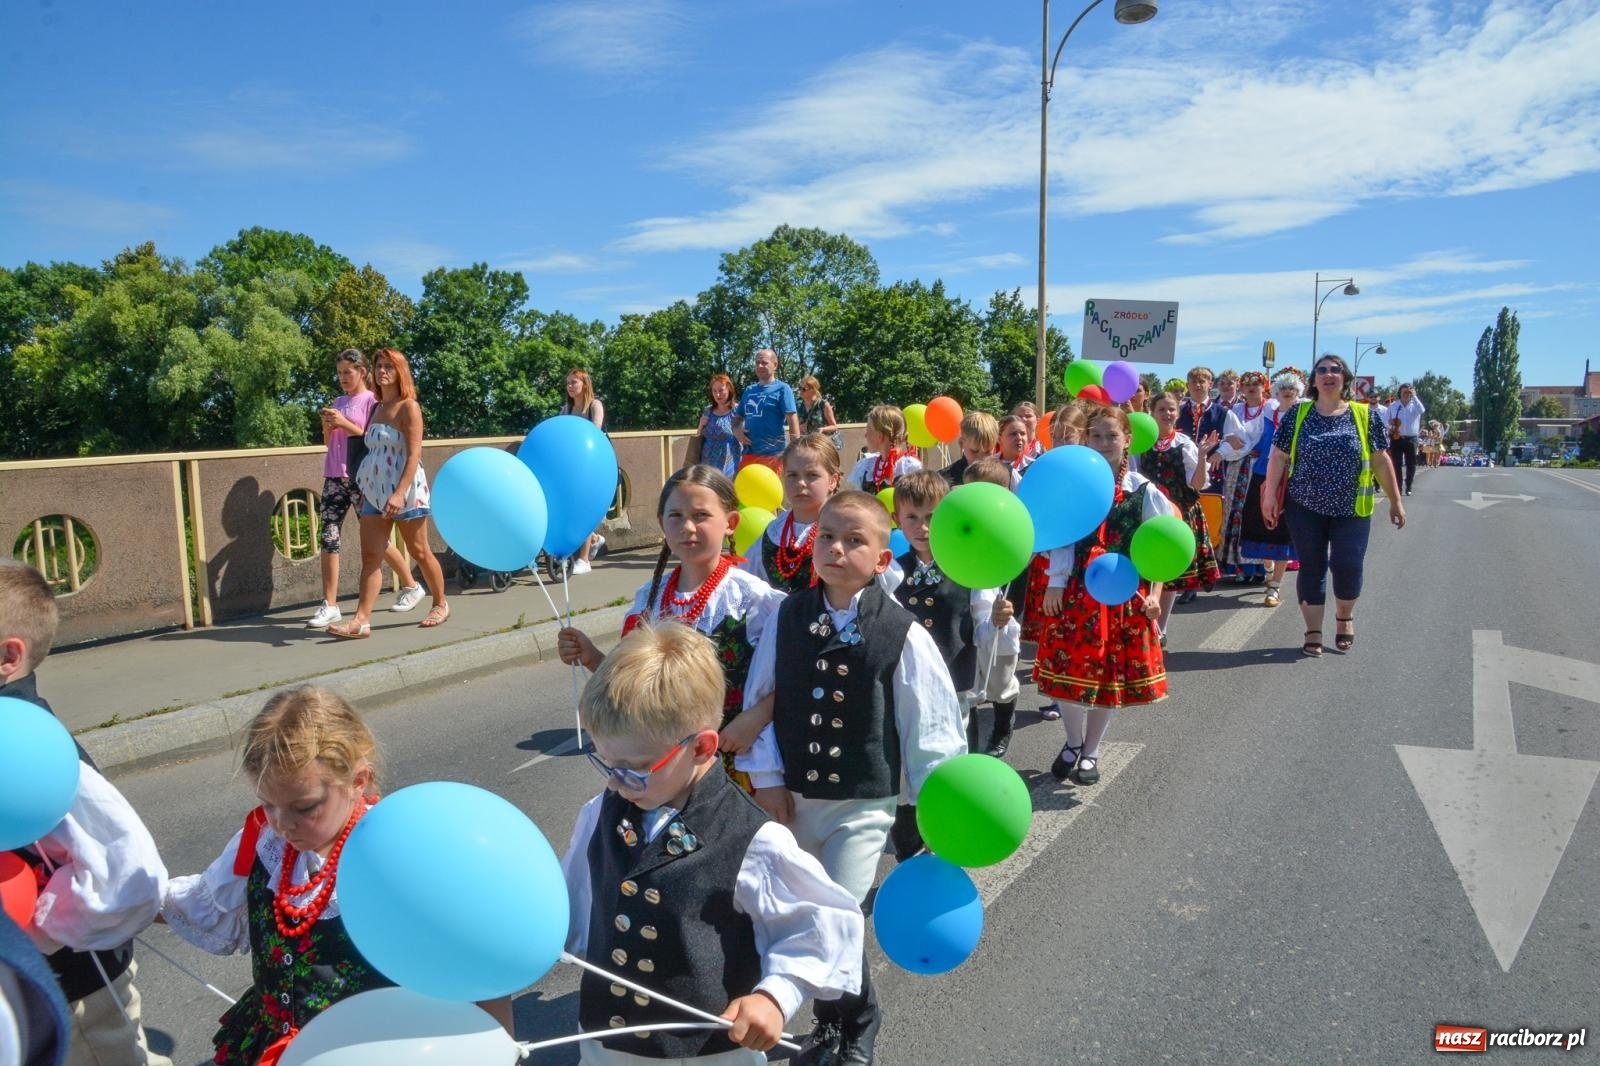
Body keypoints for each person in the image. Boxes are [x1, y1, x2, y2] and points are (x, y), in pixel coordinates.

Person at [559, 623, 864, 1065]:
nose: (616, 780)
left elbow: (822, 921)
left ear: (702, 747)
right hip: (610, 1040)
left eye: (637, 766)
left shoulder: (751, 837)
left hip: (710, 1051)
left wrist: (775, 997)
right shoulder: (600, 812)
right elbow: (573, 897)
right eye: (607, 763)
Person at [736, 492, 965, 1066]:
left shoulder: (900, 631)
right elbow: (762, 697)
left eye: (854, 540)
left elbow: (930, 725)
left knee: (837, 908)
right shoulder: (788, 616)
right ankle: (829, 1020)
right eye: (827, 537)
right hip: (794, 798)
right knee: (799, 909)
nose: (836, 548)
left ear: (883, 559)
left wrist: (933, 805)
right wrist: (765, 776)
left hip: (864, 801)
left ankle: (856, 1019)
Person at [162, 688, 392, 1065]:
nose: (283, 824)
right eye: (268, 804)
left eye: (304, 807)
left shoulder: (388, 855)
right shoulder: (261, 845)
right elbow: (201, 903)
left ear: (357, 781)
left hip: (364, 1050)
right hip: (272, 1045)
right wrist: (118, 903)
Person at [0, 560, 171, 1066]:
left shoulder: (38, 754)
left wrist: (45, 926)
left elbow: (130, 872)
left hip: (77, 988)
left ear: (8, 655)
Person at [559, 466, 786, 782]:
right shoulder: (648, 598)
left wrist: (753, 719)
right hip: (661, 772)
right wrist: (592, 657)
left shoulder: (754, 600)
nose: (688, 526)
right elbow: (634, 686)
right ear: (661, 523)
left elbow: (789, 679)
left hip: (735, 765)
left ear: (731, 523)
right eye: (675, 516)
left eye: (701, 515)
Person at [1032, 405, 1175, 786]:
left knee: (1107, 680)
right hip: (1077, 591)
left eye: (1112, 435)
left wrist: (1155, 592)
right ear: (1085, 439)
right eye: (1096, 435)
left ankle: (1090, 752)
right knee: (1066, 675)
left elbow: (1161, 546)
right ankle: (1073, 741)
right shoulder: (1075, 484)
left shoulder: (1144, 491)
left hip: (1120, 595)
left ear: (1127, 438)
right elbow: (1061, 534)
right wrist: (1056, 582)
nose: (1104, 443)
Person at [1261, 354, 1406, 657]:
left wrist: (1395, 501)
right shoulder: (1298, 414)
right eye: (1322, 370)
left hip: (1352, 509)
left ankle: (1344, 618)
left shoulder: (1364, 415)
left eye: (1335, 370)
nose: (1329, 375)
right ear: (1313, 380)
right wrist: (1270, 496)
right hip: (1304, 506)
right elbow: (1278, 456)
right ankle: (1313, 630)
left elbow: (1380, 460)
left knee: (1348, 566)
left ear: (1345, 379)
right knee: (1312, 567)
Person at [326, 349, 447, 638]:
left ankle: (440, 603)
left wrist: (399, 492)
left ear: (400, 372)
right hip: (374, 490)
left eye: (389, 367)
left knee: (418, 550)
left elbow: (414, 453)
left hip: (404, 491)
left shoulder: (409, 407)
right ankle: (361, 620)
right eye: (379, 366)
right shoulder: (376, 408)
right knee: (371, 556)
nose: (382, 372)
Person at [307, 348, 422, 630]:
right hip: (334, 474)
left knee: (377, 541)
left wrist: (343, 422)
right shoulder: (339, 401)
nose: (343, 378)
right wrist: (328, 425)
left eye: (348, 372)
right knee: (329, 537)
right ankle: (330, 604)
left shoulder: (372, 401)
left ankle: (411, 584)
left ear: (361, 372)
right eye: (339, 373)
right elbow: (330, 443)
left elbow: (369, 439)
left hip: (360, 477)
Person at [1018, 404, 1088, 722]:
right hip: (1049, 564)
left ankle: (1071, 694)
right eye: (1056, 437)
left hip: (1074, 568)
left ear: (1082, 437)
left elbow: (1067, 530)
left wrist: (1057, 579)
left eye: (1068, 437)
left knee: (1069, 634)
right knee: (1053, 634)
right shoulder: (1044, 467)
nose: (1060, 443)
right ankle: (1059, 696)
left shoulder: (1086, 472)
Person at [1144, 391, 1222, 635]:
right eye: (1161, 410)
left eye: (1171, 410)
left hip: (1179, 514)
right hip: (1148, 512)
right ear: (1152, 412)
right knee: (1145, 569)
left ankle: (1161, 629)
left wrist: (1201, 457)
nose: (1167, 414)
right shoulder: (1141, 443)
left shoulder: (1184, 444)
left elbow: (1197, 485)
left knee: (1168, 576)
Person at [1230, 372, 1305, 608]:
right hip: (1264, 476)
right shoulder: (1266, 415)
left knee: (1284, 532)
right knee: (1262, 527)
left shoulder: (1305, 415)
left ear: (1298, 393)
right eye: (1283, 387)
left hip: (1292, 478)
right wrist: (1228, 446)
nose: (1288, 391)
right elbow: (1248, 436)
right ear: (1276, 392)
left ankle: (1274, 587)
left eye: (1292, 388)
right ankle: (1268, 567)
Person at [740, 434, 842, 594]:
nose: (801, 483)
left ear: (833, 480)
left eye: (812, 475)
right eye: (792, 475)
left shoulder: (844, 528)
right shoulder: (774, 531)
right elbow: (746, 579)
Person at [1215, 371, 1267, 585]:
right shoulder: (1236, 410)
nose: (1251, 387)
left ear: (1265, 386)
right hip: (1238, 467)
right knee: (1237, 513)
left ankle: (1262, 566)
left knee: (1260, 513)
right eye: (1247, 384)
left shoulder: (1272, 409)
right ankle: (1240, 565)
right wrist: (1232, 445)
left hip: (1264, 467)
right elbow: (1230, 436)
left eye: (1256, 383)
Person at [562, 369, 609, 574]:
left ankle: (584, 560)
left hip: (594, 463)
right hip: (574, 463)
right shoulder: (567, 408)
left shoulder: (595, 406)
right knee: (572, 508)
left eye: (574, 382)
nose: (570, 386)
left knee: (584, 509)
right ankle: (595, 540)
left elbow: (594, 431)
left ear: (585, 384)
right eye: (568, 383)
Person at [733, 349, 800, 473]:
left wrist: (795, 451)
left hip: (773, 456)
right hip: (749, 454)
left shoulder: (783, 389)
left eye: (764, 363)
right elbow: (738, 417)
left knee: (773, 492)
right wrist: (736, 431)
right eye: (757, 362)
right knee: (744, 491)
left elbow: (792, 420)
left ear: (775, 365)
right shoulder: (749, 390)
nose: (759, 366)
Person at [846, 406, 920, 494]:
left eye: (869, 430)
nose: (866, 435)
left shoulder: (908, 467)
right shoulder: (866, 465)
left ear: (880, 436)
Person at [1176, 367, 1228, 484]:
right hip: (1181, 472)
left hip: (1212, 473)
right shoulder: (1178, 412)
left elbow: (1241, 440)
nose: (1198, 385)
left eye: (1202, 381)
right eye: (1194, 382)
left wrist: (1221, 453)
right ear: (1187, 385)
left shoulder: (1223, 413)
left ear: (1210, 384)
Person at [694, 373, 743, 479]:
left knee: (726, 492)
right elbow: (699, 436)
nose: (717, 395)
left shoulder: (738, 410)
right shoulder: (708, 410)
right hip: (707, 464)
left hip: (730, 464)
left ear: (729, 389)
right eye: (714, 391)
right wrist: (700, 425)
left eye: (721, 390)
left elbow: (746, 435)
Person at [937, 410, 999, 486]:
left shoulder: (1005, 475)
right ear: (961, 443)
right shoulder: (943, 480)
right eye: (974, 451)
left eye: (987, 452)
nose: (981, 458)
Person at [1386, 383, 1427, 495]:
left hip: (1411, 438)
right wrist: (1391, 428)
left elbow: (1422, 410)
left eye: (1408, 392)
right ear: (1400, 392)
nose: (1406, 394)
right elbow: (1386, 421)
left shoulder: (1415, 405)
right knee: (1397, 464)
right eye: (1404, 392)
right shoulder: (1393, 406)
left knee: (1411, 464)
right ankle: (1398, 487)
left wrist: (1414, 396)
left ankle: (1408, 486)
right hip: (1397, 438)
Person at [796, 376, 841, 448]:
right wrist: (800, 427)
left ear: (813, 390)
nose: (800, 391)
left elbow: (834, 426)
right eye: (799, 388)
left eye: (803, 389)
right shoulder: (799, 406)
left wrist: (823, 429)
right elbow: (797, 426)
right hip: (807, 446)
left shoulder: (823, 405)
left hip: (822, 445)